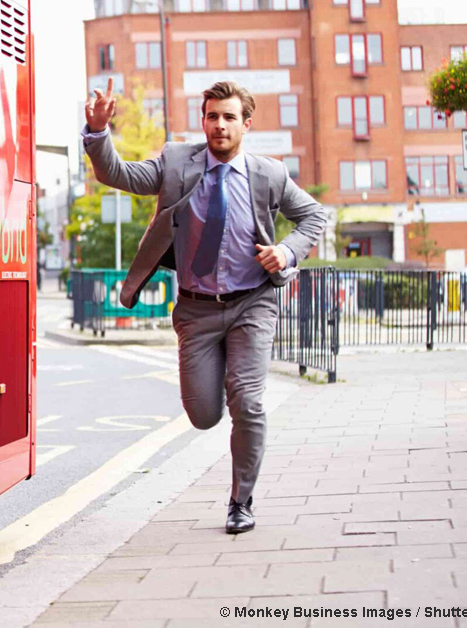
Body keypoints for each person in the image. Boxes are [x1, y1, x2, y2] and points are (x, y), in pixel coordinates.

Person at [82, 80, 326, 534]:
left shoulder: (268, 175)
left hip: (253, 302)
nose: (220, 125)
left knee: (248, 401)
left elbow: (313, 216)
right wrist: (98, 134)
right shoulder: (177, 162)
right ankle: (227, 456)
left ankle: (241, 501)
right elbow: (120, 175)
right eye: (212, 116)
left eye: (229, 117)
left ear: (246, 124)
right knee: (204, 414)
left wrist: (288, 251)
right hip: (196, 310)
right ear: (203, 120)